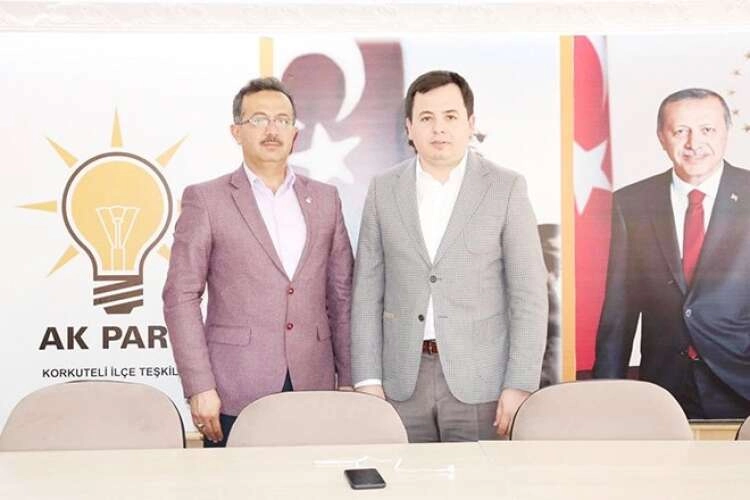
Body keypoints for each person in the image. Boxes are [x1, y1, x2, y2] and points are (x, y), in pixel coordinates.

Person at [351, 70, 548, 441]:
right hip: (399, 385)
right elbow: (366, 293)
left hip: (482, 384)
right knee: (403, 475)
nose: (438, 128)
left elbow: (529, 295)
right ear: (409, 128)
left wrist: (520, 383)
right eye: (426, 118)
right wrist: (367, 380)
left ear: (470, 124)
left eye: (450, 116)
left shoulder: (506, 188)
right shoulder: (382, 190)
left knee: (480, 476)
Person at [163, 77, 354, 447]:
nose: (272, 130)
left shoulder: (326, 200)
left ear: (295, 133)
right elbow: (180, 296)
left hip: (314, 385)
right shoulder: (206, 200)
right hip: (234, 388)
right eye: (259, 119)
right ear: (236, 131)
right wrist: (199, 386)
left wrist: (347, 378)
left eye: (282, 120)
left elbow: (342, 296)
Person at [594, 88, 750, 419]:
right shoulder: (631, 203)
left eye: (707, 130)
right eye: (680, 131)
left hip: (742, 384)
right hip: (664, 390)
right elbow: (619, 311)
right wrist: (604, 400)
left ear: (726, 132)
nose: (694, 143)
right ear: (661, 138)